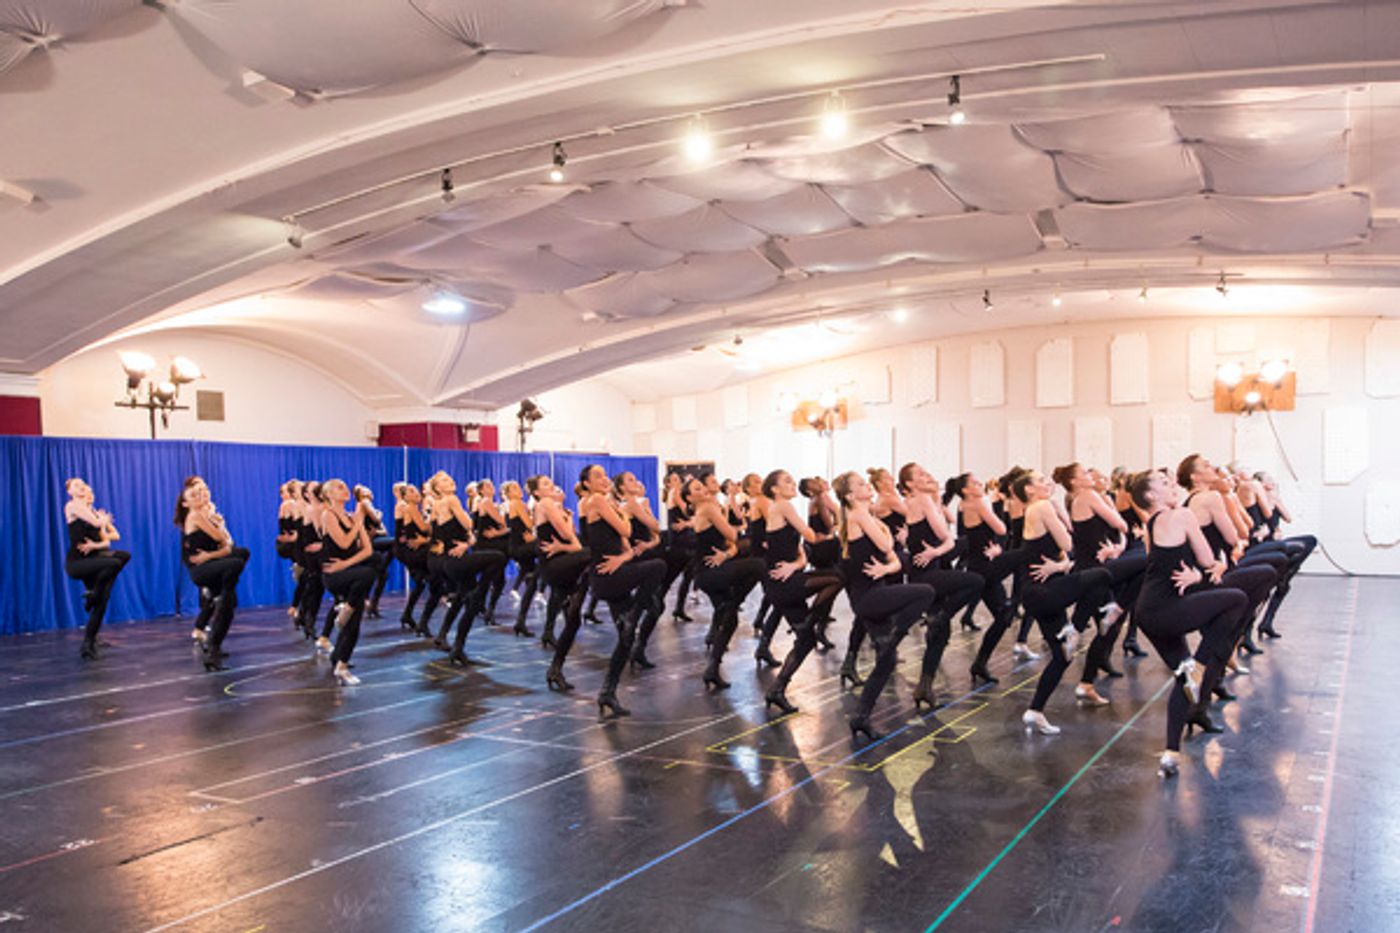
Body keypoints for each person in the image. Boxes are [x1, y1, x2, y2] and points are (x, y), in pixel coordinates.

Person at [1128, 470, 1249, 777]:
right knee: (1236, 598)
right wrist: (1204, 569)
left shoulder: (1150, 524)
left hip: (1146, 612)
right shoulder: (1181, 515)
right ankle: (1199, 662)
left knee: (1184, 682)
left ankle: (1170, 753)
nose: (1173, 486)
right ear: (1151, 496)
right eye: (1165, 483)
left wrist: (1195, 574)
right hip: (1167, 610)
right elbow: (1208, 559)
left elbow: (1164, 566)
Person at [1011, 470, 1118, 736]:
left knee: (1062, 657)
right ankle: (1076, 628)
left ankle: (1035, 711)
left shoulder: (1041, 507)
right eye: (1039, 481)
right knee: (1102, 575)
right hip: (1042, 593)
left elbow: (1063, 550)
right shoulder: (1041, 506)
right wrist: (1063, 561)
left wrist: (1061, 564)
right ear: (1029, 491)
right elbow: (1067, 541)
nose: (1046, 483)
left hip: (1041, 592)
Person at [831, 471, 935, 742]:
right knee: (925, 592)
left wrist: (889, 563)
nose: (868, 487)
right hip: (868, 599)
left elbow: (897, 562)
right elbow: (887, 545)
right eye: (862, 485)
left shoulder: (868, 517)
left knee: (887, 661)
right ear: (851, 496)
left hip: (874, 594)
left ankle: (860, 717)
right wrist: (889, 541)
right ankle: (895, 633)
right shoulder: (858, 515)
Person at [579, 464, 667, 717]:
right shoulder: (596, 500)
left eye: (604, 474)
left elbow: (626, 545)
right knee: (658, 566)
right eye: (597, 476)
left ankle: (607, 692)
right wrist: (628, 510)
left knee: (626, 638)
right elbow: (626, 531)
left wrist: (623, 557)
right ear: (587, 484)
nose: (604, 478)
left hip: (613, 571)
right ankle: (636, 612)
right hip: (607, 576)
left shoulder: (606, 503)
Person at [898, 463, 984, 709]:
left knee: (941, 634)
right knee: (976, 581)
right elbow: (947, 539)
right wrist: (937, 550)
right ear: (910, 485)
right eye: (921, 475)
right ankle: (942, 615)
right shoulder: (921, 500)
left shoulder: (925, 501)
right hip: (926, 575)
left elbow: (943, 534)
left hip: (930, 572)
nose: (928, 476)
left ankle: (924, 686)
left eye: (927, 472)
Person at [759, 470, 844, 715]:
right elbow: (809, 536)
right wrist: (836, 527)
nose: (792, 483)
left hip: (788, 578)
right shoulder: (782, 505)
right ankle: (811, 621)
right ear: (774, 489)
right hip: (782, 584)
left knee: (806, 642)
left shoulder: (784, 510)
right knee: (836, 578)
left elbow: (801, 553)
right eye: (786, 481)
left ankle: (777, 689)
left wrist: (795, 564)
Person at [684, 474, 765, 691]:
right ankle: (741, 600)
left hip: (715, 570)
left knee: (730, 619)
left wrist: (727, 554)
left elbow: (732, 546)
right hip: (708, 573)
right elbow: (732, 534)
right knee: (759, 565)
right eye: (697, 489)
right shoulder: (708, 509)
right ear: (690, 498)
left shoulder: (711, 509)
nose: (703, 491)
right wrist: (733, 537)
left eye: (702, 486)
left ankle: (712, 669)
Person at [175, 477, 249, 672]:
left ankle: (214, 644)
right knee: (235, 564)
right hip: (200, 571)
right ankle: (217, 596)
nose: (200, 496)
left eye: (201, 492)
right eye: (194, 494)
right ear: (186, 502)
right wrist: (218, 531)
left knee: (240, 557)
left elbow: (228, 545)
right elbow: (220, 539)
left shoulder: (206, 514)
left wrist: (212, 553)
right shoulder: (196, 515)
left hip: (211, 563)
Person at [529, 475, 592, 692]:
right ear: (537, 492)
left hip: (561, 565)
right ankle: (574, 598)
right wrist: (569, 545)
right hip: (556, 566)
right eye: (545, 484)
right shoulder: (545, 504)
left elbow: (569, 535)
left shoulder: (553, 506)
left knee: (573, 623)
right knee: (592, 554)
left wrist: (569, 540)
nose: (552, 486)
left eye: (551, 483)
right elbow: (570, 539)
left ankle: (555, 669)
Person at [62, 478, 131, 660]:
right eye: (76, 486)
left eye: (83, 485)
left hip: (95, 560)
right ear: (70, 491)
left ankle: (89, 643)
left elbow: (107, 536)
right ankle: (94, 593)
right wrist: (103, 519)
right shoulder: (72, 506)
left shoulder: (91, 510)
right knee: (114, 564)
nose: (82, 488)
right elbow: (96, 522)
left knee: (103, 600)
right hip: (77, 563)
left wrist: (95, 544)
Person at [320, 479, 377, 685]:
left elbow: (367, 550)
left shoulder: (352, 517)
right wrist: (358, 522)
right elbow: (343, 542)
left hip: (349, 573)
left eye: (345, 487)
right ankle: (346, 609)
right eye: (339, 487)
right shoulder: (328, 515)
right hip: (334, 576)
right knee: (368, 572)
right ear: (328, 495)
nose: (345, 490)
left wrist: (345, 564)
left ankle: (341, 664)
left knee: (355, 624)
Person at [393, 482, 432, 631]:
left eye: (416, 491)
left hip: (409, 549)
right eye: (411, 491)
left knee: (421, 583)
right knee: (431, 579)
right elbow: (424, 528)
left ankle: (407, 615)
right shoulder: (408, 507)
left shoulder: (413, 508)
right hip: (408, 551)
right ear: (405, 496)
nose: (416, 493)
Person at [353, 484, 395, 620]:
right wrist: (379, 515)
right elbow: (376, 520)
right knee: (396, 543)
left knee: (382, 576)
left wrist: (376, 529)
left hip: (377, 540)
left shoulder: (371, 507)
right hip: (371, 543)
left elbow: (384, 531)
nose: (368, 491)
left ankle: (373, 605)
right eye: (364, 491)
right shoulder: (363, 503)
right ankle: (369, 603)